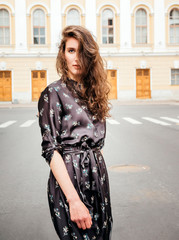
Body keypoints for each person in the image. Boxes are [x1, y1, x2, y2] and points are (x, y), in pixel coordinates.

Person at [38, 25, 113, 240]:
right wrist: (74, 201)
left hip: (97, 177)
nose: (76, 57)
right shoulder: (53, 93)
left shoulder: (94, 92)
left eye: (81, 51)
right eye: (71, 50)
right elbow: (50, 150)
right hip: (70, 181)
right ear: (63, 54)